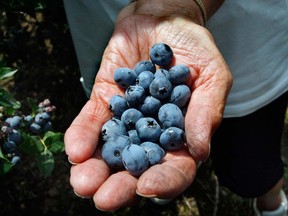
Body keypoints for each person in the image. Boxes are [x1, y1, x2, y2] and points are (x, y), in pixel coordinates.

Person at [63, 0, 288, 215]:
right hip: (114, 32)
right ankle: (170, 163)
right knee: (186, 139)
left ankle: (270, 199)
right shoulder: (136, 97)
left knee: (252, 160)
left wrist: (176, 6)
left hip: (248, 46)